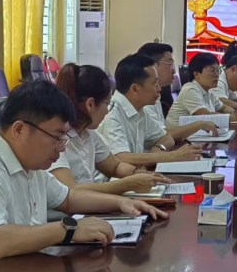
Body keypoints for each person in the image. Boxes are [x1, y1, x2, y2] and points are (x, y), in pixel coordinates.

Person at [0, 81, 168, 272]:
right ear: (20, 129)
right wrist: (68, 229)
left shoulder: (29, 162)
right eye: (56, 137)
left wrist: (123, 202)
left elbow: (68, 199)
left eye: (64, 138)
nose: (61, 148)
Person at [51, 63, 170, 194]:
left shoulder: (88, 134)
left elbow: (115, 166)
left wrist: (137, 173)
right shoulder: (56, 139)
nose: (108, 111)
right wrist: (127, 184)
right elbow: (70, 190)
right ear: (90, 104)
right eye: (107, 103)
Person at [97, 54, 204, 168]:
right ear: (135, 88)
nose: (159, 88)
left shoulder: (140, 111)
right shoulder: (111, 113)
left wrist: (158, 149)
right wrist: (173, 156)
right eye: (154, 83)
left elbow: (166, 138)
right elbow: (121, 158)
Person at [137, 42, 218, 143]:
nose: (174, 71)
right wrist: (199, 125)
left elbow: (161, 135)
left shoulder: (156, 95)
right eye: (170, 64)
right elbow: (161, 136)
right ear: (151, 66)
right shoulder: (143, 98)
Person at [165, 52, 224, 128]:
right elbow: (206, 116)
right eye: (212, 70)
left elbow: (224, 108)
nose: (217, 74)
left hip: (195, 134)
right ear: (196, 74)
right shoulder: (190, 90)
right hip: (177, 134)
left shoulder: (209, 91)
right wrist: (233, 117)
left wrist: (233, 113)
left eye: (218, 70)